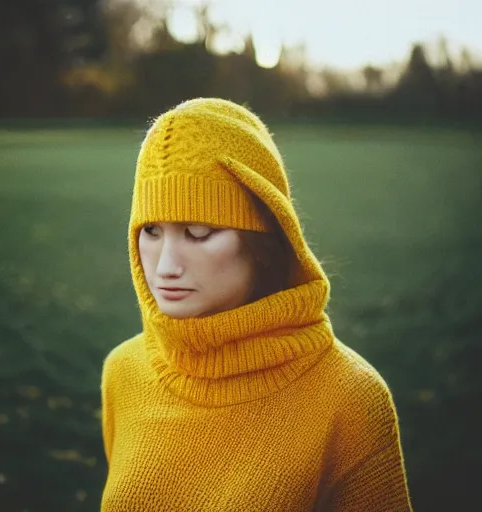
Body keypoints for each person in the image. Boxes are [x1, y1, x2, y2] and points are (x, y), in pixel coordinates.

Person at [100, 97, 413, 511]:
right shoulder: (123, 372)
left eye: (198, 231)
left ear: (266, 241)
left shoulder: (350, 400)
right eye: (152, 230)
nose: (167, 265)